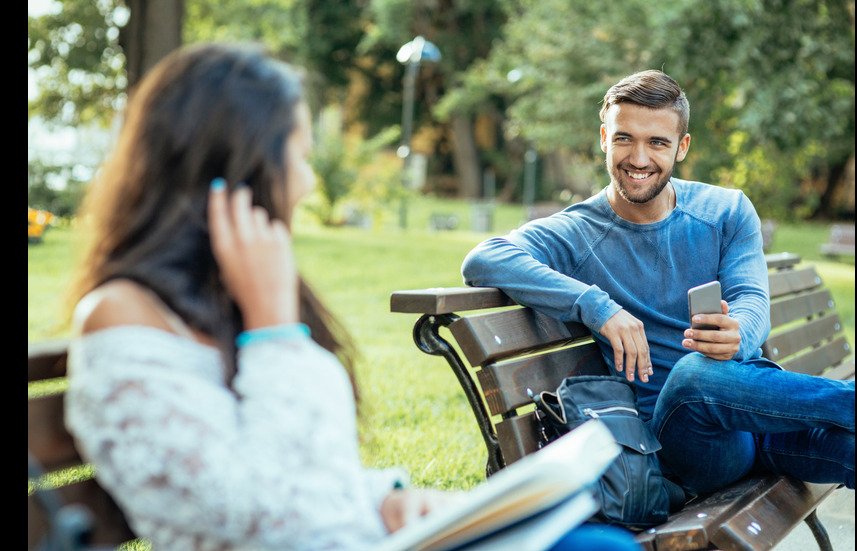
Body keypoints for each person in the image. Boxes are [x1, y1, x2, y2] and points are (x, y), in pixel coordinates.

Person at [64, 42, 642, 551]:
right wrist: (271, 329)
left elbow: (308, 475)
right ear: (238, 170)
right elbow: (246, 510)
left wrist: (389, 500)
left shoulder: (235, 296)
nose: (309, 182)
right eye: (299, 156)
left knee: (598, 543)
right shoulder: (123, 317)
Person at [461, 69, 855, 497]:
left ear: (682, 147)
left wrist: (738, 334)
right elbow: (484, 258)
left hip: (754, 420)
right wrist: (597, 306)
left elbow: (751, 299)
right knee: (693, 377)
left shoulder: (726, 211)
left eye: (658, 142)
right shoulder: (579, 232)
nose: (639, 158)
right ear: (603, 138)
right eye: (625, 138)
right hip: (683, 446)